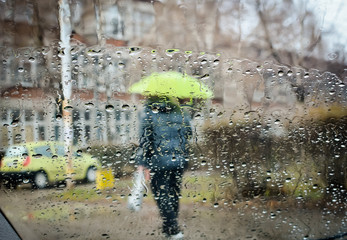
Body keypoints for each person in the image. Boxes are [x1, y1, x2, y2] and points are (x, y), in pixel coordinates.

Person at [134, 96, 192, 239]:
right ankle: (169, 230)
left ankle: (173, 230)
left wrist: (144, 164)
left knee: (162, 196)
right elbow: (188, 133)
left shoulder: (149, 113)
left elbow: (145, 140)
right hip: (178, 161)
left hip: (157, 162)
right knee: (173, 195)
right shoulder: (180, 112)